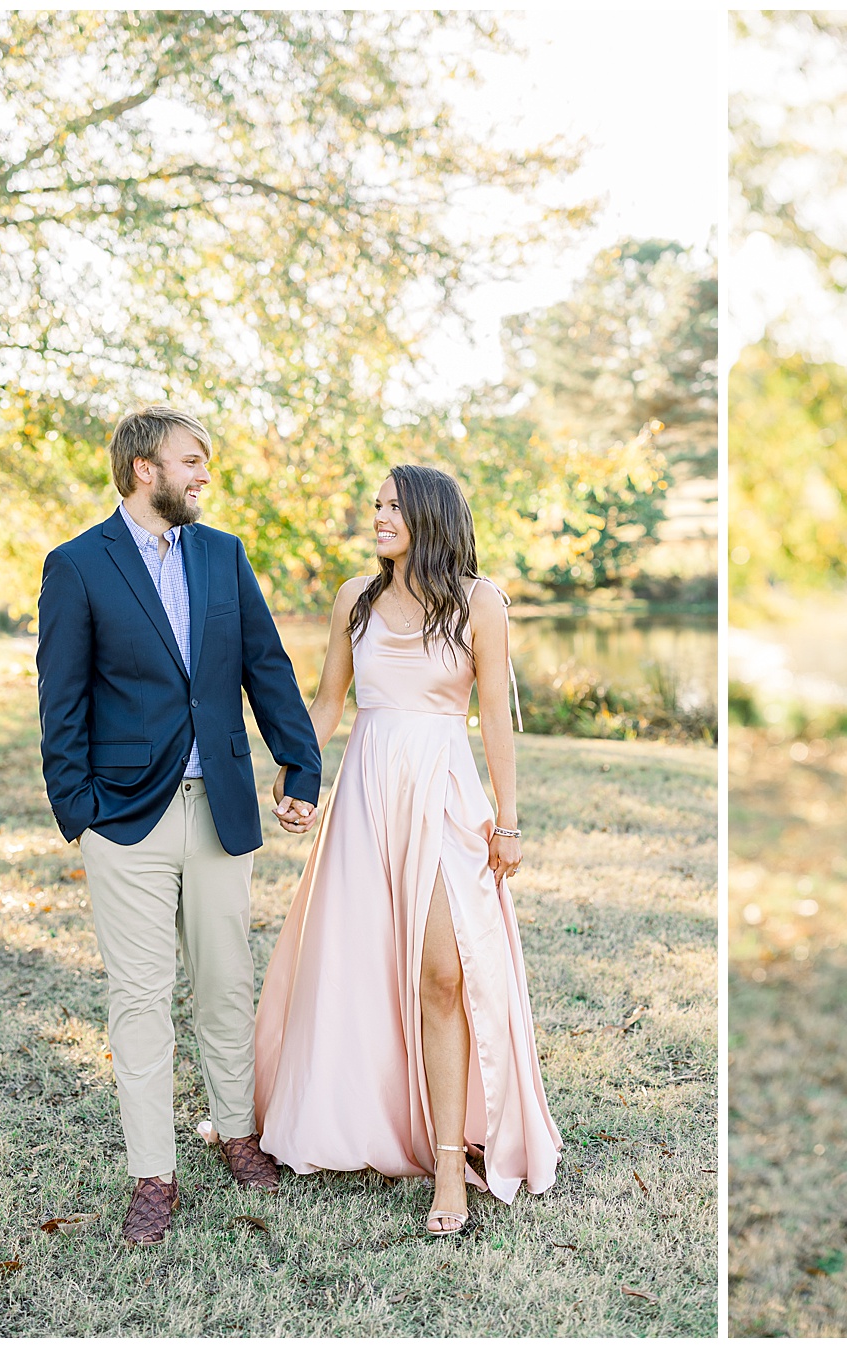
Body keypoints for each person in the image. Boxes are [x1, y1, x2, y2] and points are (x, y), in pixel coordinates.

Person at [37, 405, 323, 1246]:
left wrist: (298, 763)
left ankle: (238, 1135)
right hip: (124, 818)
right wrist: (80, 815)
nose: (205, 474)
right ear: (144, 470)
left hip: (218, 810)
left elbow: (265, 665)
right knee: (139, 1000)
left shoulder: (223, 556)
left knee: (228, 985)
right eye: (192, 460)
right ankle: (153, 1175)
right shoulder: (78, 565)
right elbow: (61, 704)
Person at [253, 463, 560, 1235]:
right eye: (377, 505)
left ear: (428, 514)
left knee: (444, 972)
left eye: (393, 505)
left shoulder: (479, 603)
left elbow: (493, 715)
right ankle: (360, 1118)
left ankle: (451, 1167)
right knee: (357, 967)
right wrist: (297, 776)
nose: (379, 516)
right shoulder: (355, 600)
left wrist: (510, 819)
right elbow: (327, 701)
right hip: (365, 793)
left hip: (445, 792)